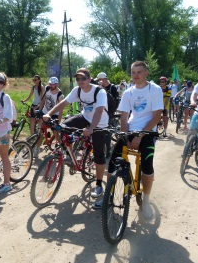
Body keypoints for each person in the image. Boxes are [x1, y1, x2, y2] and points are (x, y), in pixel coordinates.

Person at [94, 61, 163, 219]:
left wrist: (140, 136)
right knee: (112, 162)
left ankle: (145, 201)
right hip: (131, 129)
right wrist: (125, 136)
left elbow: (157, 116)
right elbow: (124, 118)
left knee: (147, 163)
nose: (136, 75)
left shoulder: (155, 89)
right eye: (133, 72)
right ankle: (108, 197)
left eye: (139, 72)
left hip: (148, 132)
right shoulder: (128, 92)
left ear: (146, 73)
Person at [42, 68, 108, 199]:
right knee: (63, 127)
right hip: (85, 117)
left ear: (89, 79)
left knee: (99, 154)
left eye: (83, 78)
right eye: (78, 79)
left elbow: (99, 111)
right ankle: (69, 155)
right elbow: (63, 103)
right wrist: (48, 114)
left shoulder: (99, 92)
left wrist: (91, 129)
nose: (80, 81)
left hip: (100, 122)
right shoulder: (77, 90)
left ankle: (99, 184)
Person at [35, 77, 65, 158]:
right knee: (40, 131)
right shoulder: (47, 89)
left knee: (55, 132)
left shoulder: (60, 95)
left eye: (53, 84)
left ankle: (63, 148)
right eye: (50, 84)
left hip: (54, 114)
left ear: (57, 84)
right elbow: (43, 100)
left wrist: (58, 121)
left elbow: (61, 109)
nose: (51, 85)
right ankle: (37, 148)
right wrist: (40, 110)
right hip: (45, 112)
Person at [96, 72, 119, 156]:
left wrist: (112, 112)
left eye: (99, 79)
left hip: (109, 112)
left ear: (103, 79)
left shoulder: (112, 87)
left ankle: (108, 150)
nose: (98, 81)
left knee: (107, 131)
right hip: (101, 111)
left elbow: (116, 100)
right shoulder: (99, 88)